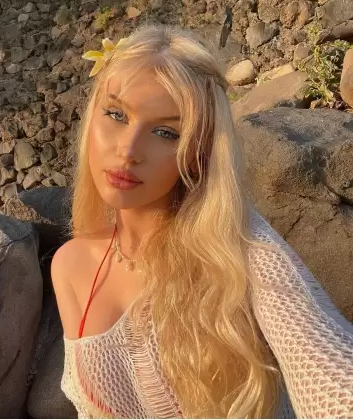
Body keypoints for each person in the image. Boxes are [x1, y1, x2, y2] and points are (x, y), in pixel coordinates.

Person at [51, 25, 353, 418]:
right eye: (116, 114)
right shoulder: (71, 265)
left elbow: (329, 372)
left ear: (198, 152)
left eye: (166, 132)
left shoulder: (240, 250)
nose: (128, 150)